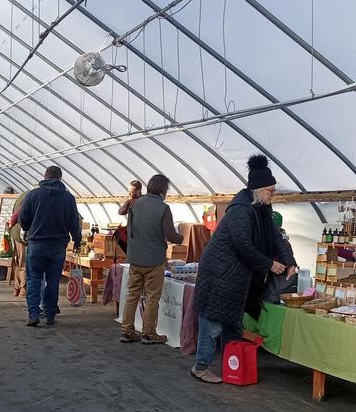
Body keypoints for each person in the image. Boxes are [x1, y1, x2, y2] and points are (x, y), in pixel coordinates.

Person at [191, 155, 297, 383]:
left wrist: (290, 262)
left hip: (236, 277)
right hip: (219, 276)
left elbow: (276, 238)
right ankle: (200, 366)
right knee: (213, 324)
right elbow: (243, 245)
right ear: (258, 190)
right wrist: (270, 264)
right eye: (270, 190)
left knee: (233, 323)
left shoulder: (262, 209)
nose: (273, 194)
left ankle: (234, 366)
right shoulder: (240, 211)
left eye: (274, 190)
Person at [120, 174, 184, 345]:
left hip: (134, 258)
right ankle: (148, 333)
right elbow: (171, 235)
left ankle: (127, 331)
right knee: (152, 298)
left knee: (132, 294)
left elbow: (130, 230)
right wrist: (181, 237)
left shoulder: (135, 204)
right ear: (163, 190)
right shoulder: (163, 208)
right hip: (153, 261)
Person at [18, 166, 82, 327]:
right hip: (58, 247)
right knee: (53, 281)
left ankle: (33, 314)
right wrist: (77, 241)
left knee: (33, 279)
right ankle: (50, 314)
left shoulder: (33, 195)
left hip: (36, 244)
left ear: (45, 177)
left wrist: (30, 228)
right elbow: (74, 223)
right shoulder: (68, 198)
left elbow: (22, 218)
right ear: (60, 178)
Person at [6, 190, 29, 297]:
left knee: (17, 261)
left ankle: (16, 288)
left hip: (14, 233)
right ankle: (23, 290)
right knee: (23, 262)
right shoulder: (30, 197)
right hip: (21, 234)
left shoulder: (22, 195)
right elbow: (20, 214)